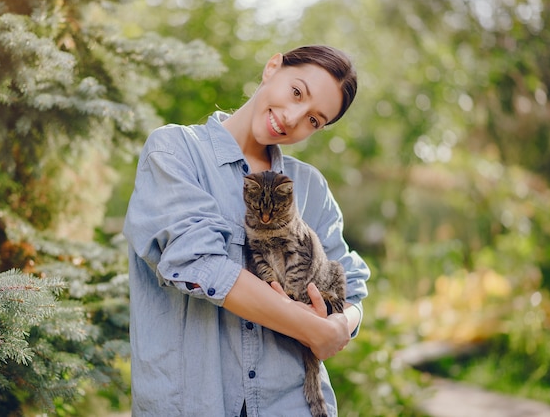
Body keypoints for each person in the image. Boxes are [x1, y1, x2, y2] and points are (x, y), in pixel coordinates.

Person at [123, 45, 370, 417]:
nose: (292, 117)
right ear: (273, 67)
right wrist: (312, 328)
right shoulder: (175, 151)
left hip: (292, 405)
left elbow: (351, 284)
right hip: (192, 403)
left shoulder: (309, 187)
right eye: (296, 92)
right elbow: (202, 265)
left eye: (314, 120)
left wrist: (340, 325)